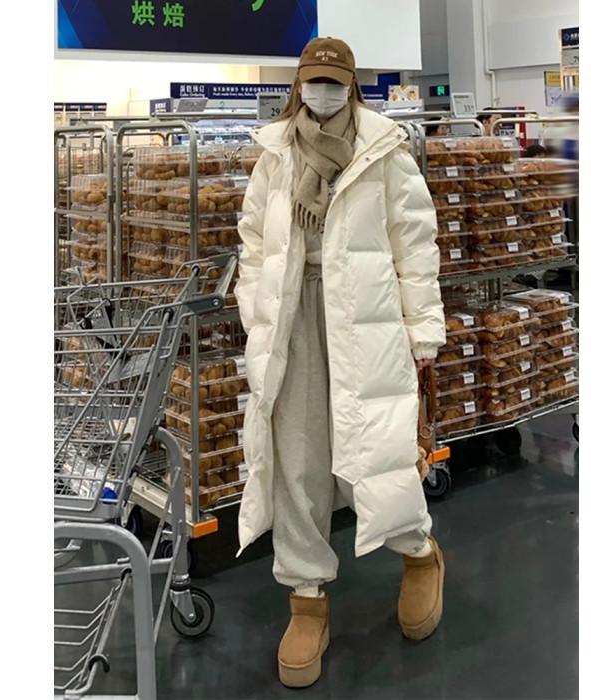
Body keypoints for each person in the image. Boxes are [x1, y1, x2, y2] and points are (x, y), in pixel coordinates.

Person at [235, 36, 446, 688]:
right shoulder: (275, 153)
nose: (321, 91)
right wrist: (255, 309)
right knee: (296, 455)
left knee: (377, 447)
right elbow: (253, 240)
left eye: (332, 81)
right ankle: (306, 598)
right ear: (298, 83)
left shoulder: (384, 150)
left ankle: (419, 554)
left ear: (351, 84)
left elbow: (414, 242)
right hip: (293, 318)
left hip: (366, 318)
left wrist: (424, 331)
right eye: (313, 80)